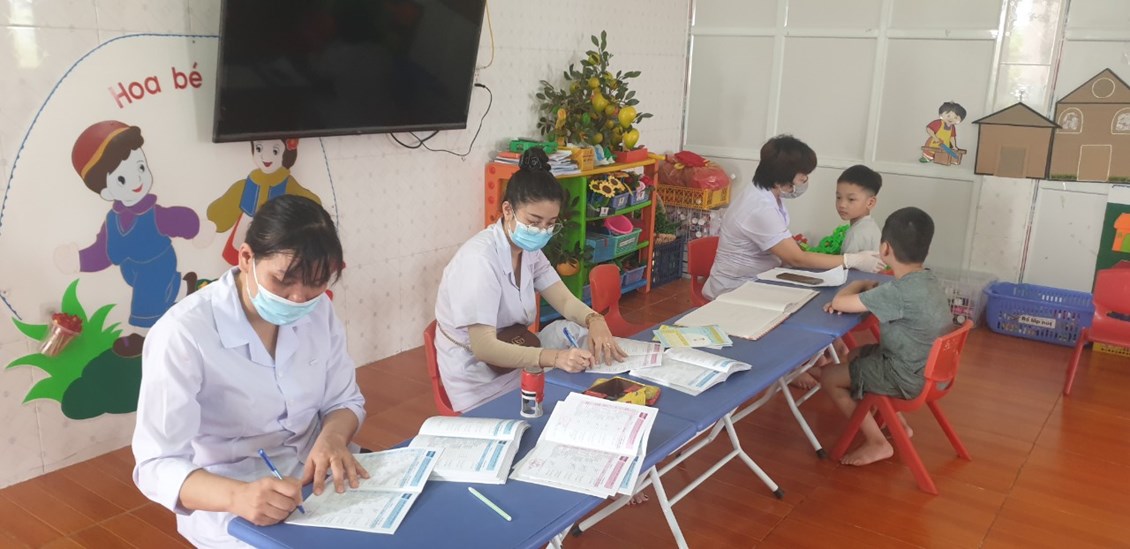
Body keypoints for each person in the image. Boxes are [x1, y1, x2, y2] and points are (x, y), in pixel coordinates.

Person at [133, 195, 367, 547]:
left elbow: (344, 401)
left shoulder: (318, 311)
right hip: (236, 496)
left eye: (316, 284)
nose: (298, 298)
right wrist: (237, 497)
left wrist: (332, 439)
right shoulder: (183, 334)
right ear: (246, 258)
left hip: (317, 476)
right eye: (283, 280)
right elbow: (157, 464)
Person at [434, 148, 628, 414]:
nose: (541, 231)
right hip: (479, 380)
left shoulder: (528, 250)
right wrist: (555, 358)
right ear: (508, 210)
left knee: (575, 337)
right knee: (562, 389)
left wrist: (595, 320)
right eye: (534, 221)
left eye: (550, 224)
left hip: (516, 349)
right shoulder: (479, 261)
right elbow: (484, 348)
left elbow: (563, 300)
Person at [820, 207, 952, 466]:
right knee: (854, 355)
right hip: (933, 373)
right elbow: (895, 296)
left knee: (829, 377)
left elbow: (839, 302)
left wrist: (857, 284)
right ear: (926, 251)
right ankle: (898, 424)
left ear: (885, 249)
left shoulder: (897, 293)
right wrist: (872, 291)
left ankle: (877, 441)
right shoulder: (928, 280)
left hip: (908, 378)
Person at [703, 135, 884, 302]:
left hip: (761, 277)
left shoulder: (767, 193)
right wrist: (853, 260)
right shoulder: (759, 207)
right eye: (803, 175)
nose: (805, 179)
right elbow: (796, 258)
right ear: (784, 175)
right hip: (735, 288)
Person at [836, 165, 882, 254]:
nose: (842, 205)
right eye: (838, 197)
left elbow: (846, 262)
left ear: (870, 203)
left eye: (851, 199)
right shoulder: (871, 227)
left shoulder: (857, 234)